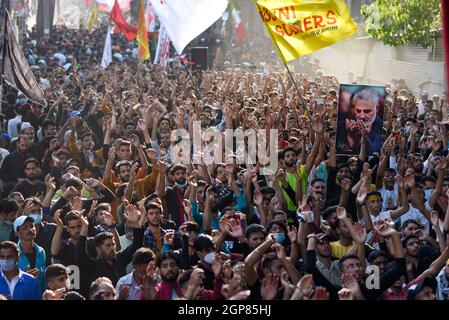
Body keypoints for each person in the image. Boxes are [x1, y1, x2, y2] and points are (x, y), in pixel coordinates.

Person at [337, 87, 383, 155]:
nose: (362, 116)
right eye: (358, 111)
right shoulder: (341, 126)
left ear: (377, 108)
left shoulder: (382, 128)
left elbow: (377, 155)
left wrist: (365, 138)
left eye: (367, 111)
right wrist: (350, 137)